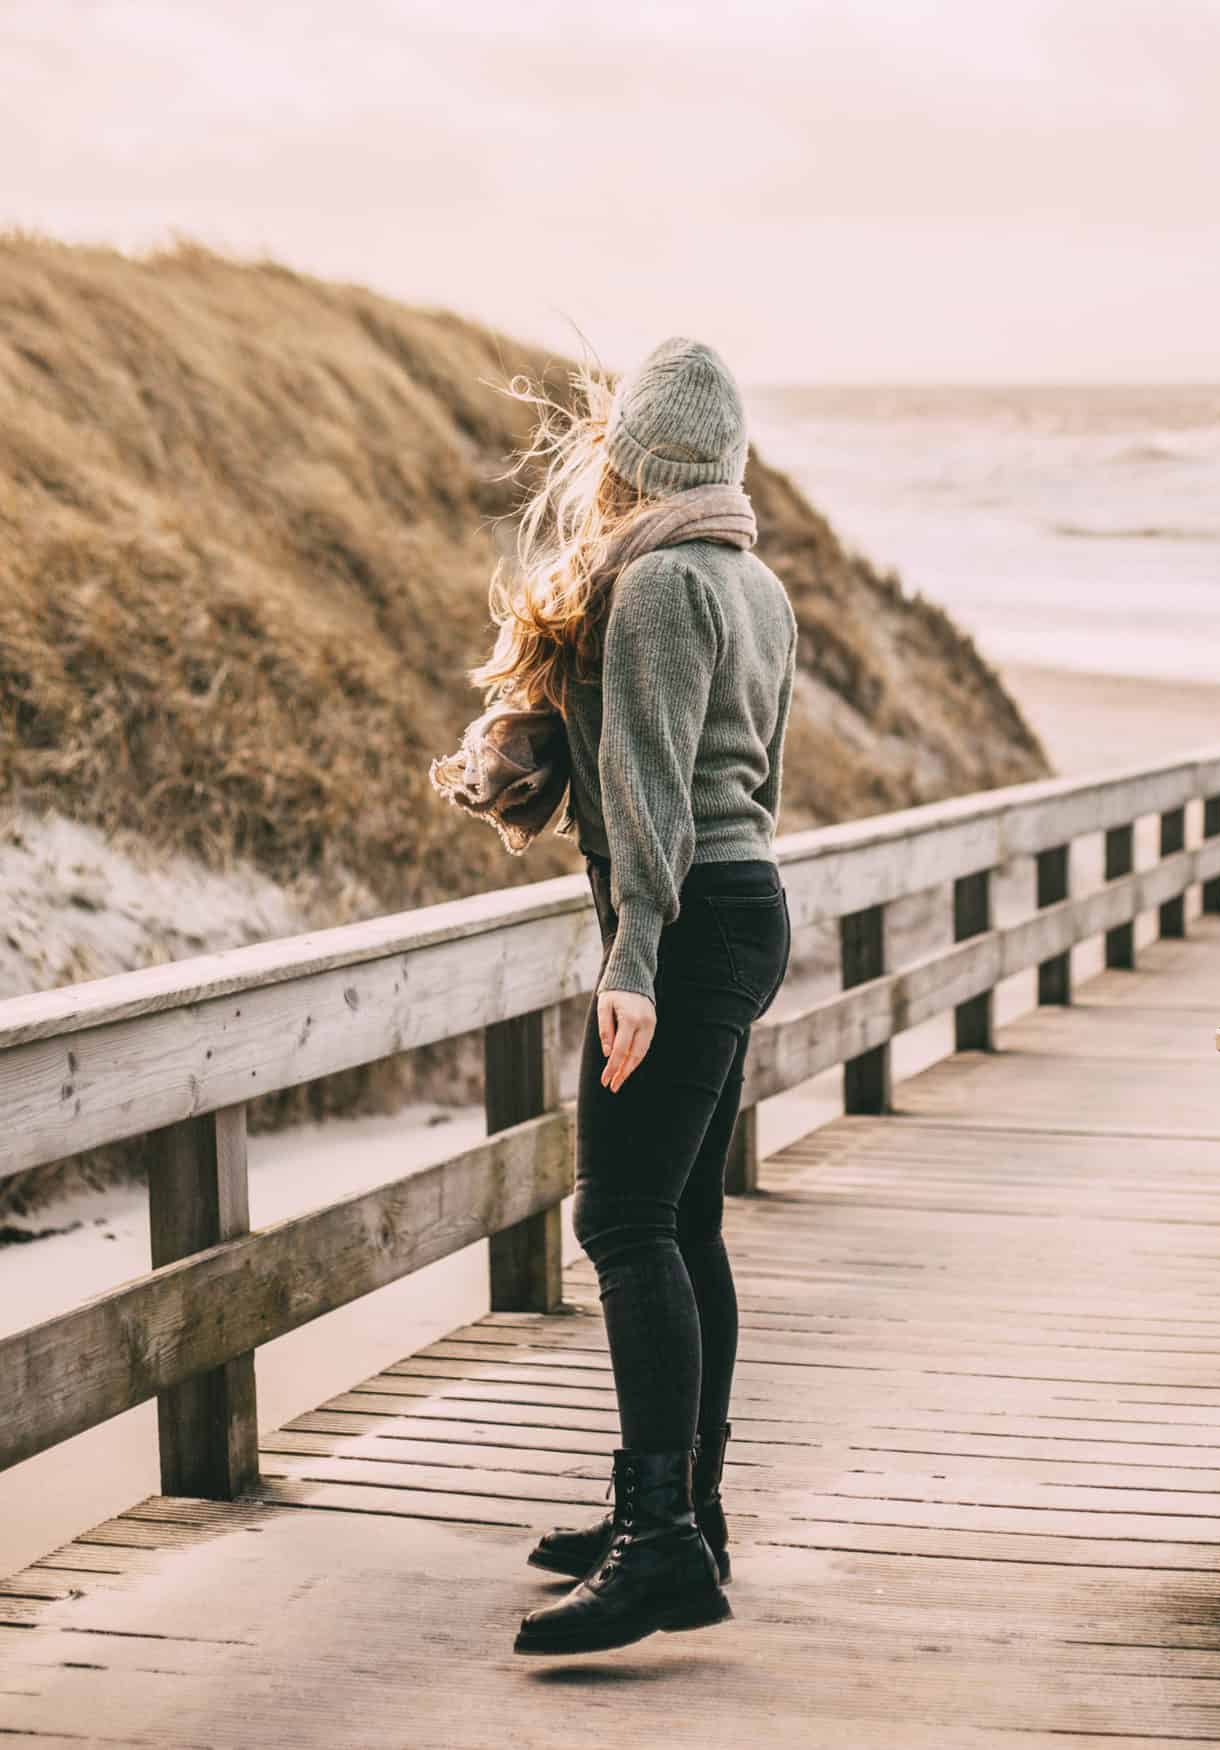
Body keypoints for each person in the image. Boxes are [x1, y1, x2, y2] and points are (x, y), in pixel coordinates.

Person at [470, 337, 797, 1657]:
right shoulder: (754, 582)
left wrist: (636, 958)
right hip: (748, 903)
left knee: (618, 1219)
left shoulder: (658, 583)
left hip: (685, 921)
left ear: (635, 456)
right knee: (683, 1221)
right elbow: (751, 776)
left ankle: (660, 1542)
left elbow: (658, 785)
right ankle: (678, 1513)